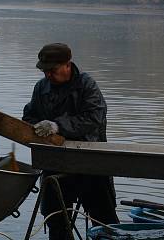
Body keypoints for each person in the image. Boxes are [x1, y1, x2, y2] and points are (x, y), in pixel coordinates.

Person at [22, 43, 118, 239]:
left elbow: (94, 119)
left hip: (90, 162)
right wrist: (37, 125)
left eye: (52, 70)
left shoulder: (86, 85)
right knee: (55, 217)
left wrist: (58, 126)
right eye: (44, 70)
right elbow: (29, 116)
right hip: (55, 162)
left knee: (103, 218)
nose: (48, 75)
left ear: (67, 65)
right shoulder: (41, 88)